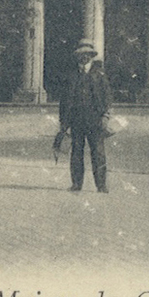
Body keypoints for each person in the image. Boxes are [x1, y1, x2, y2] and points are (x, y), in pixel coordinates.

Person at [58, 39, 111, 193]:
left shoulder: (99, 75)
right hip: (76, 120)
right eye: (81, 55)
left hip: (95, 119)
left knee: (98, 153)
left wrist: (105, 116)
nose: (84, 58)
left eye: (87, 55)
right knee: (76, 152)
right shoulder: (71, 75)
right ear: (77, 57)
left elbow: (107, 97)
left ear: (91, 56)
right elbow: (64, 100)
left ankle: (101, 185)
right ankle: (76, 184)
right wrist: (63, 122)